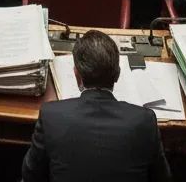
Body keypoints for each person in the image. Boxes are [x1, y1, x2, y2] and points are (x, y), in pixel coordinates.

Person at [21, 30, 170, 182]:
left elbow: (31, 175)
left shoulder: (51, 115)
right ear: (117, 74)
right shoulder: (145, 120)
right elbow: (162, 178)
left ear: (77, 75)